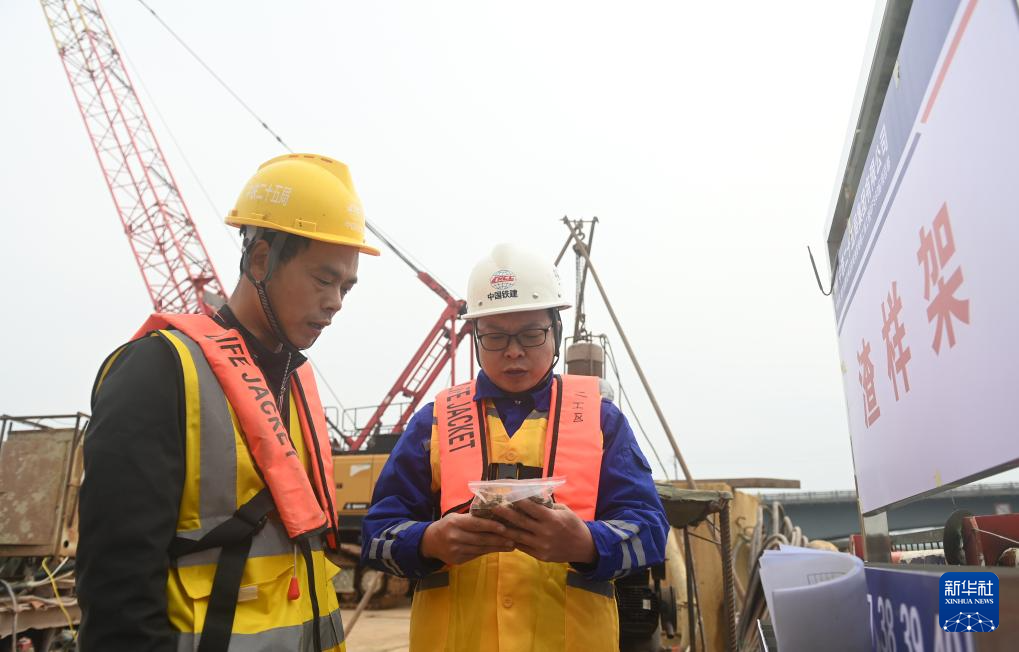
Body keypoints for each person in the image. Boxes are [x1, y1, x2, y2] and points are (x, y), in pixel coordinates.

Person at [77, 153, 379, 652]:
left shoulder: (295, 383)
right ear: (260, 260)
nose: (336, 302)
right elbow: (117, 589)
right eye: (324, 280)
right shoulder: (160, 371)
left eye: (346, 287)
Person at [362, 243, 670, 651]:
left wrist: (587, 543)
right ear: (476, 338)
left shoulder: (602, 420)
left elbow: (650, 531)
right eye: (495, 336)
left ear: (555, 332)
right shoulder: (433, 422)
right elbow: (376, 535)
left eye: (530, 334)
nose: (513, 351)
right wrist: (429, 541)